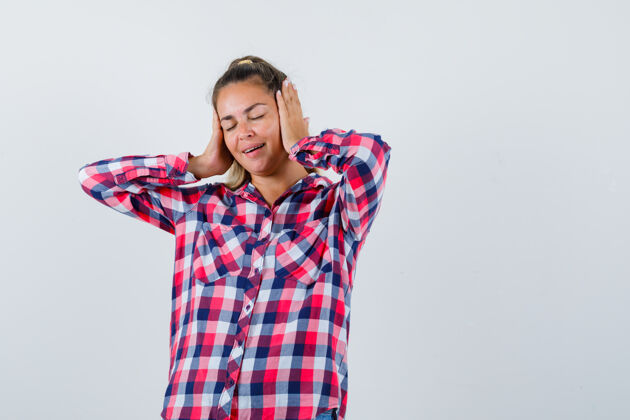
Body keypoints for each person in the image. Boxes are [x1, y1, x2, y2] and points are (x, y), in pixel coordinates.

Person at [77, 55, 392, 420]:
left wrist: (305, 144)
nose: (243, 132)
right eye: (229, 124)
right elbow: (93, 180)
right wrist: (197, 165)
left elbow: (372, 156)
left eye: (256, 116)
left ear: (287, 116)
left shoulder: (337, 211)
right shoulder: (199, 209)